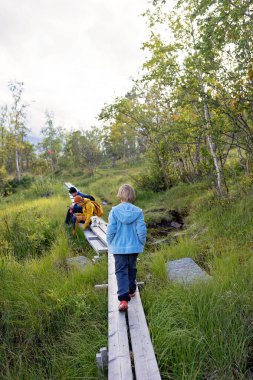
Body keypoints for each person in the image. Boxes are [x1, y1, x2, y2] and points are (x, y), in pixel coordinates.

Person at [106, 184, 147, 312]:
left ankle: (123, 300)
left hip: (118, 247)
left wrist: (110, 242)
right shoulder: (138, 211)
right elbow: (141, 230)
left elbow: (111, 229)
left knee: (121, 271)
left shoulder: (114, 211)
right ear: (132, 195)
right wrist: (141, 242)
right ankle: (131, 289)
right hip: (133, 247)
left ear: (120, 195)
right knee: (132, 267)